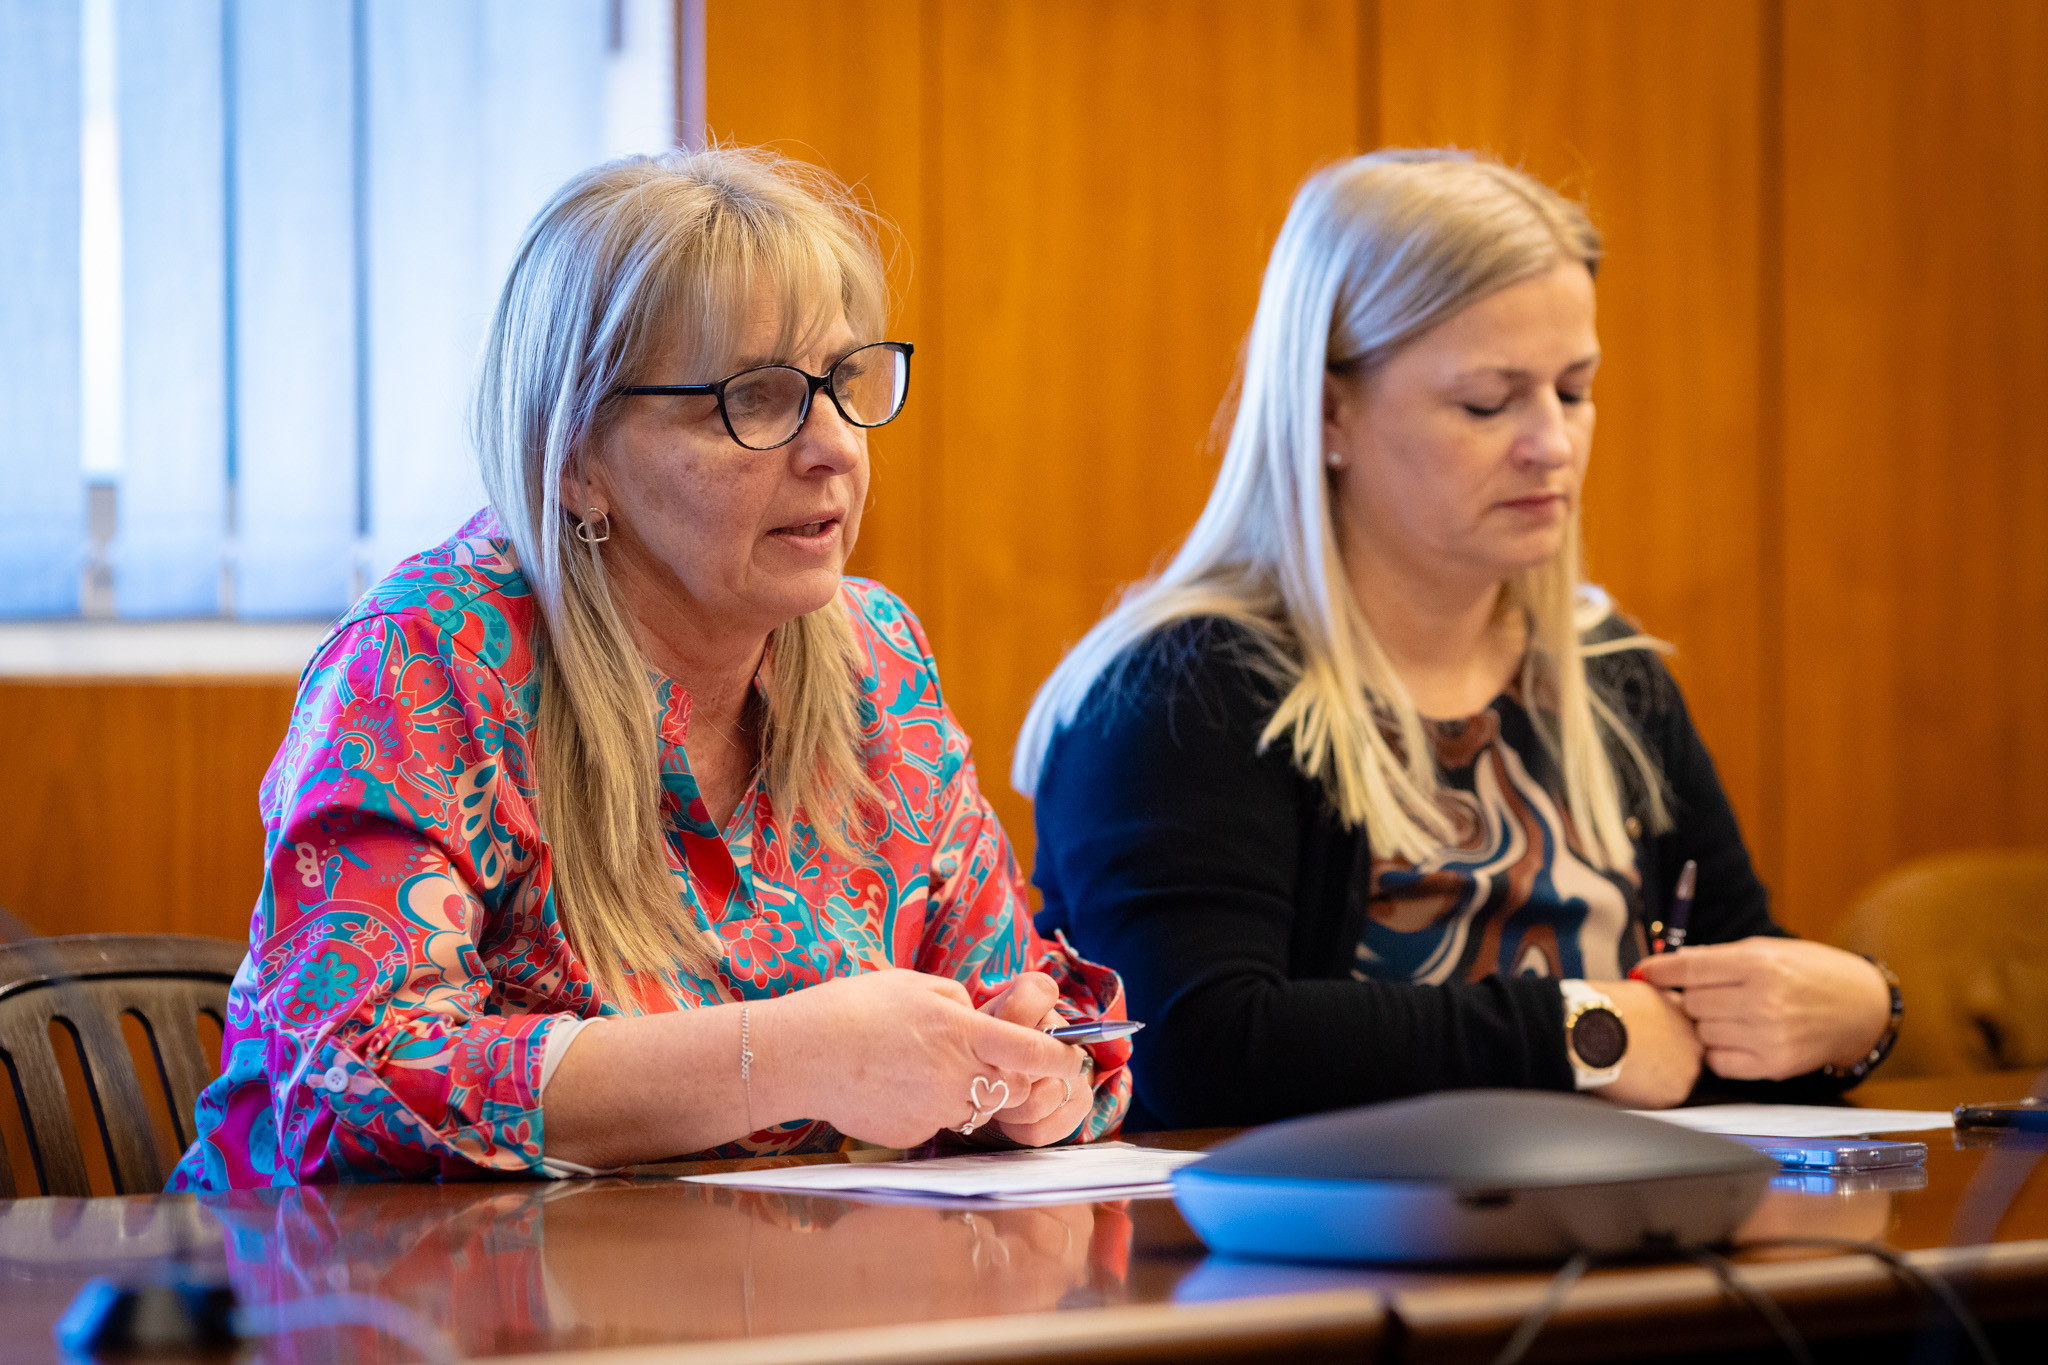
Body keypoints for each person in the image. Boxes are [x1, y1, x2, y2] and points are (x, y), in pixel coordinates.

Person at [169, 147, 1129, 1189]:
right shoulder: (428, 661)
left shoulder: (876, 655)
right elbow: (355, 1075)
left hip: (739, 1274)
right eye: (755, 400)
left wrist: (1025, 1076)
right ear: (579, 459)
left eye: (845, 384)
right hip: (345, 1280)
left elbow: (1015, 997)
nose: (838, 448)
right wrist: (792, 1057)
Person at [1015, 150, 1899, 1131]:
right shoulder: (1181, 690)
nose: (1551, 444)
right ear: (1329, 411)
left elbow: (1723, 1020)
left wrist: (1861, 1012)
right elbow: (1193, 1048)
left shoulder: (1608, 675)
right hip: (1291, 1229)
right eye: (1487, 402)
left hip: (1616, 1209)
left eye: (1574, 390)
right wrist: (1581, 1032)